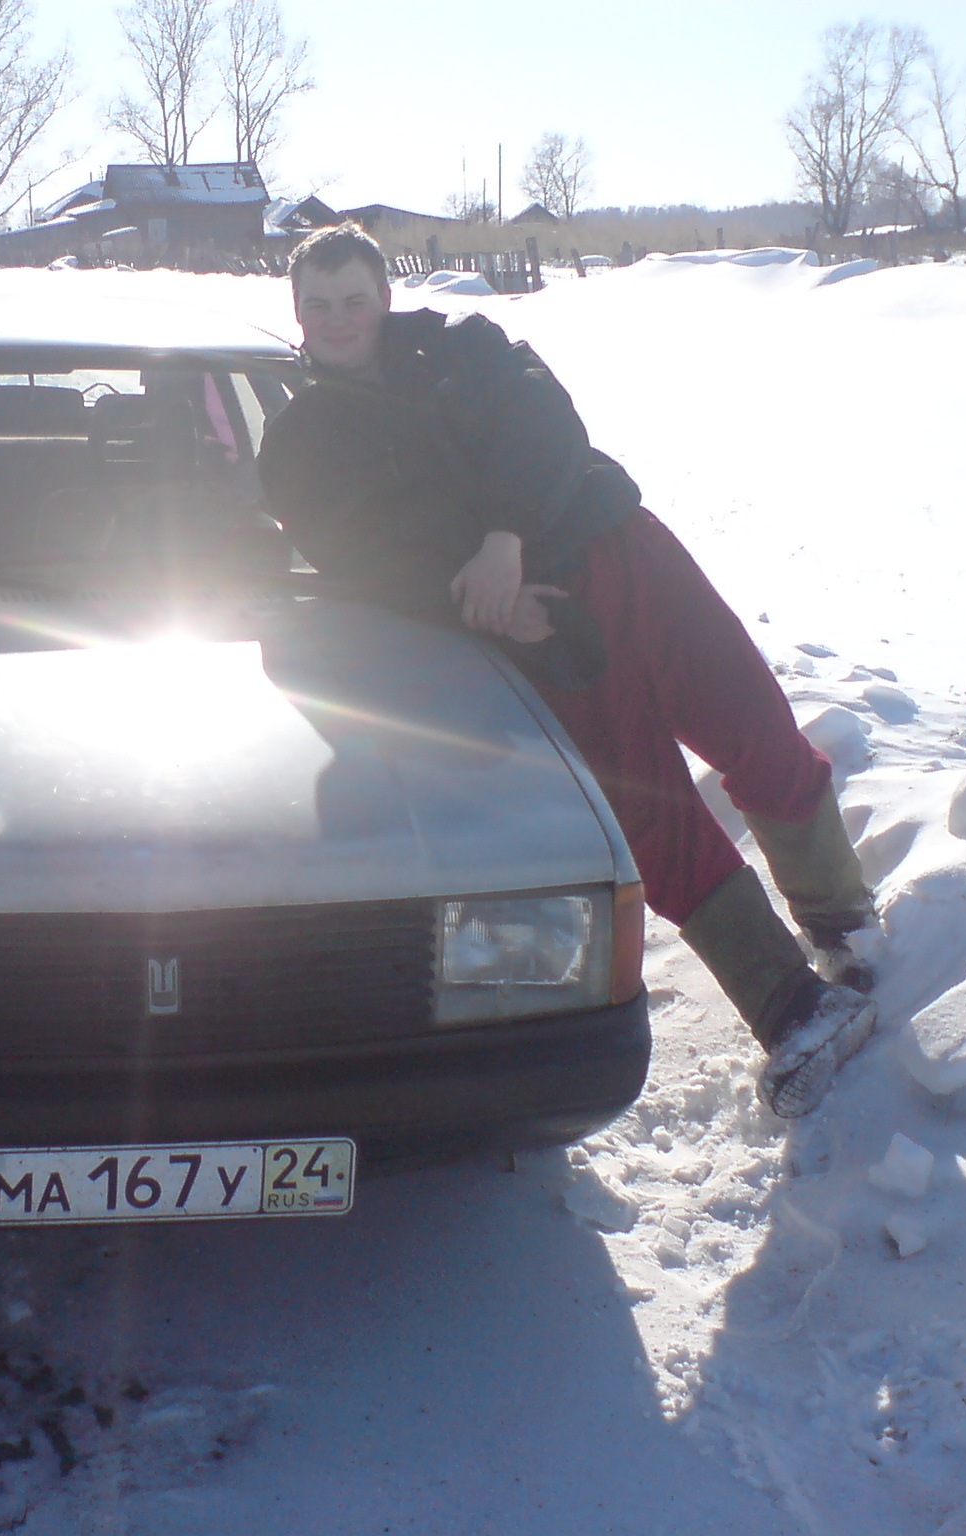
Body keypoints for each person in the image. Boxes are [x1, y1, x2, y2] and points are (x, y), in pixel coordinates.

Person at [258, 222, 878, 1118]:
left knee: (755, 723)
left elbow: (546, 424)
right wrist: (483, 599)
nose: (339, 320)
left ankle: (846, 927)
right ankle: (793, 1009)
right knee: (648, 811)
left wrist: (505, 536)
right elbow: (364, 563)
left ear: (384, 297)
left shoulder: (463, 347)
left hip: (622, 550)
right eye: (319, 306)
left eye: (355, 299)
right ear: (297, 313)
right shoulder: (298, 445)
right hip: (536, 624)